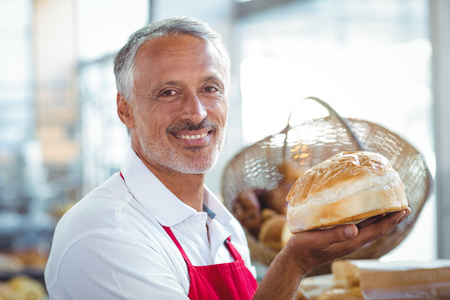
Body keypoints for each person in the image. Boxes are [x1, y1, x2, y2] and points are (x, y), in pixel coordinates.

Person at [44, 16, 410, 299]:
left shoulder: (224, 226)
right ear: (125, 109)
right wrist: (294, 262)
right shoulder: (104, 234)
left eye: (210, 88)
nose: (197, 112)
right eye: (169, 92)